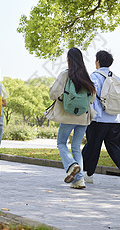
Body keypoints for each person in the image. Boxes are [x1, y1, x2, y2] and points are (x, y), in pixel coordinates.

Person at [82, 50, 120, 188]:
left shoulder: (94, 76)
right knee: (116, 146)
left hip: (98, 118)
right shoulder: (117, 78)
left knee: (93, 145)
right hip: (115, 119)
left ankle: (88, 173)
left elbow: (91, 94)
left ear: (97, 62)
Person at [47, 48, 96, 189]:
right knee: (76, 147)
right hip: (84, 117)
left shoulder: (65, 75)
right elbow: (92, 98)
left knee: (61, 143)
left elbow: (53, 94)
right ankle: (79, 181)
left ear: (68, 60)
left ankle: (71, 165)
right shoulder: (87, 77)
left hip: (67, 116)